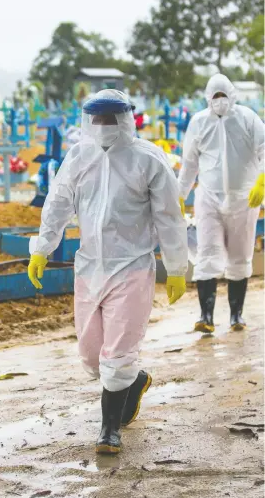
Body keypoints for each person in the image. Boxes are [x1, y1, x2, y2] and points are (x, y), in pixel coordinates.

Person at [27, 90, 188, 455]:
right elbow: (57, 203)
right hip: (88, 268)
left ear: (127, 119)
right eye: (97, 119)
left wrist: (176, 267)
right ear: (87, 121)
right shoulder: (79, 156)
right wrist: (41, 248)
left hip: (131, 267)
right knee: (91, 354)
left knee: (116, 354)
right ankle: (136, 380)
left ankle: (108, 431)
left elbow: (169, 215)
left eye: (111, 118)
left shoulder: (147, 160)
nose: (104, 126)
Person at [178, 74, 264, 333]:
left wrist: (262, 181)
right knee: (207, 253)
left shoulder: (248, 118)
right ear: (207, 98)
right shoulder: (198, 122)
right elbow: (189, 163)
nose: (219, 101)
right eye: (215, 97)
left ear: (232, 95)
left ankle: (236, 315)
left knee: (239, 256)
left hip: (244, 198)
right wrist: (179, 195)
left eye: (223, 95)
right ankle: (206, 317)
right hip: (209, 198)